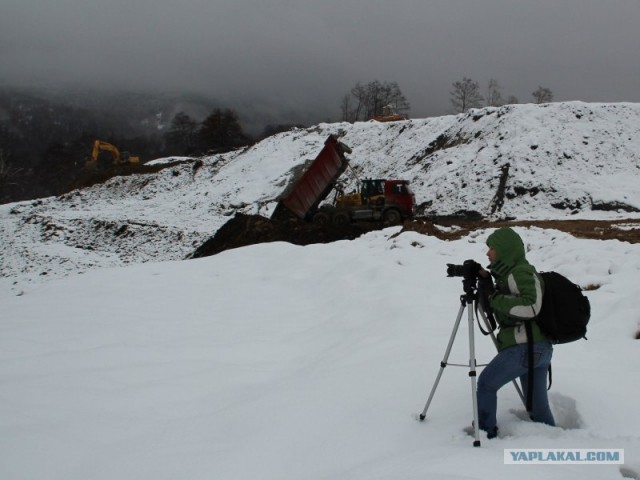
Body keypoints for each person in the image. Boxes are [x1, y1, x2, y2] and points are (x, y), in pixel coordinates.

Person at [476, 227, 555, 439]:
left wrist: (495, 298)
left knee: (486, 384)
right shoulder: (507, 276)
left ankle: (484, 435)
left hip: (526, 346)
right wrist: (486, 285)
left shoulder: (520, 272)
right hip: (535, 348)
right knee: (538, 410)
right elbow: (503, 309)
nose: (488, 253)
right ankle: (555, 444)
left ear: (504, 249)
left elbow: (531, 307)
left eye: (491, 248)